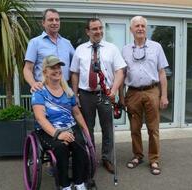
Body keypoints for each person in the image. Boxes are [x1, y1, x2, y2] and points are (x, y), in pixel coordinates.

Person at [70, 18, 126, 174]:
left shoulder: (112, 48)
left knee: (107, 128)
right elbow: (74, 73)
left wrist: (113, 90)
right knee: (87, 128)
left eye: (100, 28)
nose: (98, 31)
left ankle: (107, 158)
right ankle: (91, 157)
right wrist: (74, 94)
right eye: (94, 29)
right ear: (88, 31)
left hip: (105, 94)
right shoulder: (80, 49)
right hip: (86, 95)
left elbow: (120, 71)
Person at [119, 16, 169, 175]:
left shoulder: (156, 47)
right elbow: (122, 74)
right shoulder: (125, 49)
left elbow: (162, 73)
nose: (140, 28)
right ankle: (137, 155)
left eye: (142, 26)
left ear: (145, 29)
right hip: (132, 92)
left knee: (153, 128)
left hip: (152, 91)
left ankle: (154, 159)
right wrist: (120, 97)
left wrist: (164, 96)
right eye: (136, 26)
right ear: (131, 29)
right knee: (134, 128)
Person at [32, 55, 90, 190]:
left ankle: (79, 182)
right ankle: (65, 185)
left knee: (80, 144)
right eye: (53, 67)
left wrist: (85, 130)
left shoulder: (68, 91)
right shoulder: (39, 92)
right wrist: (58, 134)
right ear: (45, 71)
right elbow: (40, 118)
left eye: (59, 67)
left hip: (70, 126)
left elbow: (77, 113)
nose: (57, 70)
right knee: (61, 147)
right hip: (48, 130)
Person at [24, 8, 74, 93]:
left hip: (65, 89)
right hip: (44, 90)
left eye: (57, 20)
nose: (54, 22)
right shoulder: (35, 42)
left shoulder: (67, 43)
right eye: (51, 20)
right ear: (43, 23)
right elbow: (27, 69)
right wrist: (33, 84)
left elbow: (75, 68)